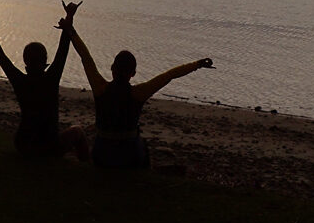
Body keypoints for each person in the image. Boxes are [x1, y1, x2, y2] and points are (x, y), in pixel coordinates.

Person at [68, 21, 213, 168]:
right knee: (142, 145)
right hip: (129, 157)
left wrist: (71, 31)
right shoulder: (139, 93)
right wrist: (197, 64)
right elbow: (170, 75)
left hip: (102, 155)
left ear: (112, 68)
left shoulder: (100, 87)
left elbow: (85, 57)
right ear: (133, 73)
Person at [0, 2, 88, 159]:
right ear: (45, 60)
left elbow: (1, 57)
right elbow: (62, 51)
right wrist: (69, 17)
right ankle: (85, 162)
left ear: (25, 61)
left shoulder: (20, 80)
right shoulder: (51, 78)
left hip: (23, 144)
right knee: (77, 131)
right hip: (49, 146)